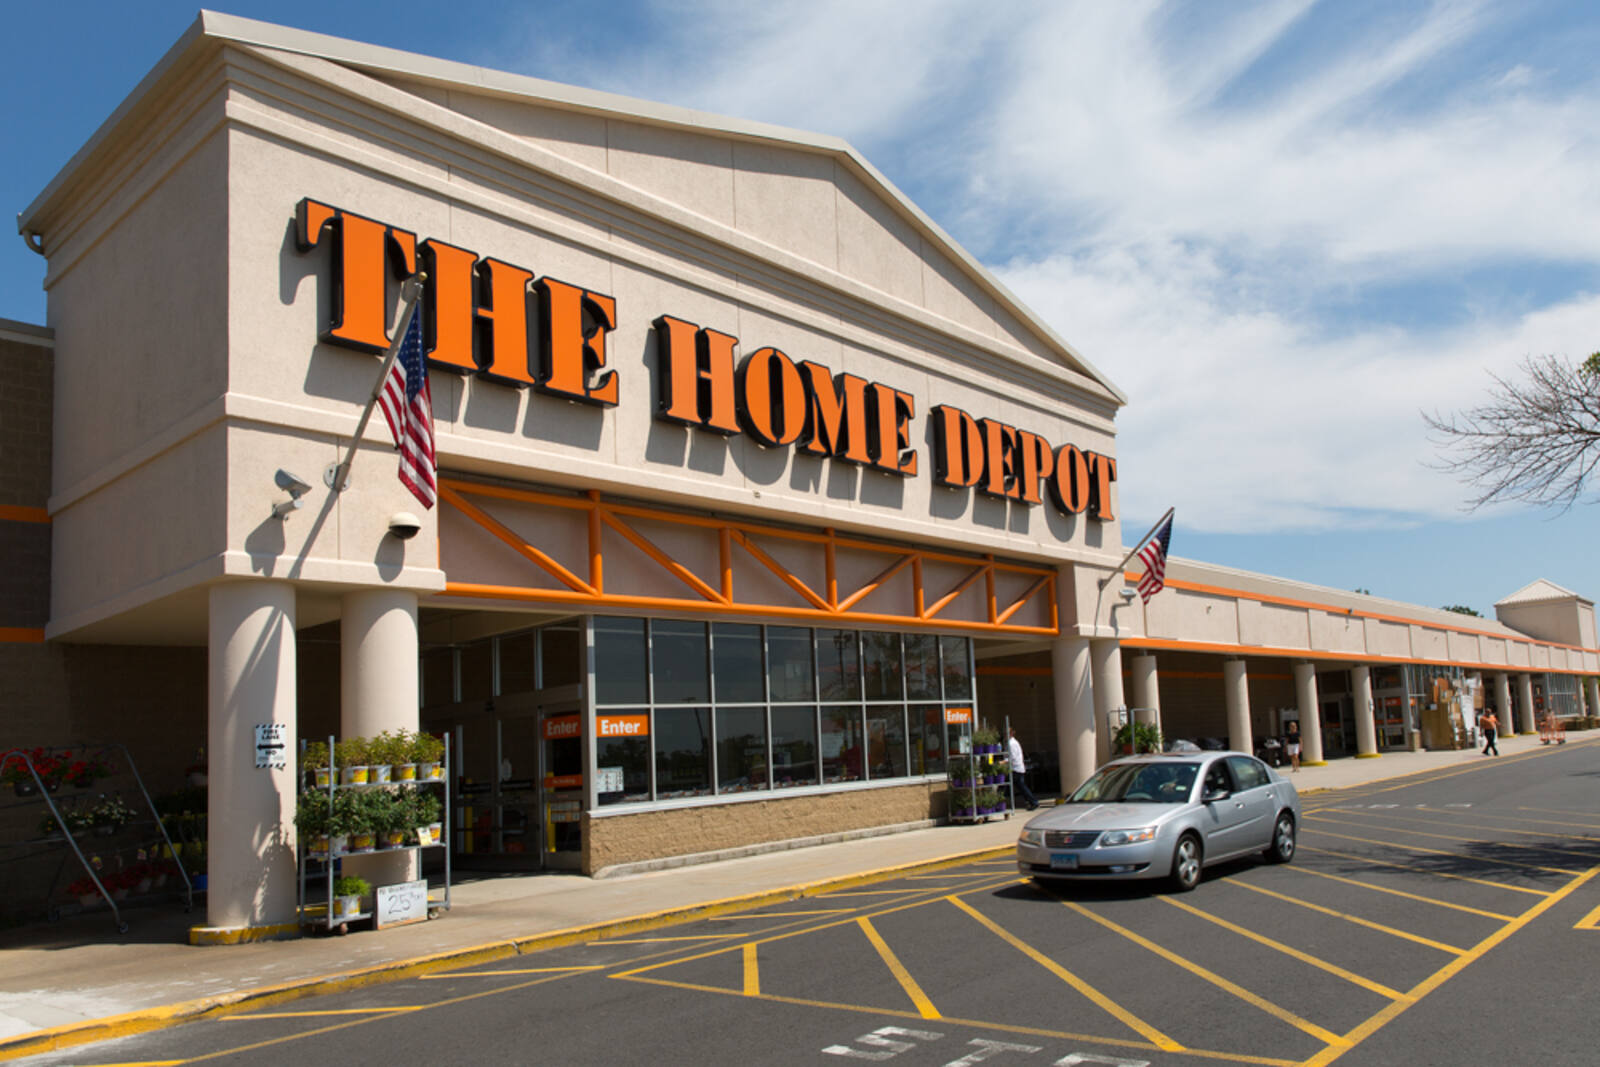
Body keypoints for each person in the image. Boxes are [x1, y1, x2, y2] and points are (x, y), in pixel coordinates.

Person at [1007, 727, 1039, 811]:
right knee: (1021, 787)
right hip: (1018, 767)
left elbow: (1012, 757)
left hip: (1016, 768)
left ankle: (1033, 801)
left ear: (1010, 733)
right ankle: (1031, 801)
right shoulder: (1013, 742)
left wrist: (1003, 762)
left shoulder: (1011, 744)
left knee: (1020, 786)